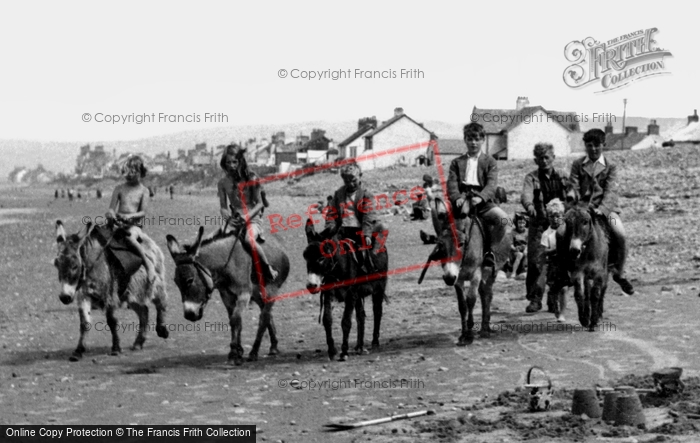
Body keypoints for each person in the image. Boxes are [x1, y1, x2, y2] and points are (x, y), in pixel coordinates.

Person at [567, 129, 634, 295]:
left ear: (603, 145)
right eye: (589, 146)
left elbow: (611, 191)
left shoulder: (611, 167)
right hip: (582, 211)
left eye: (597, 145)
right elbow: (573, 186)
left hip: (604, 211)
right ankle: (565, 271)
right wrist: (575, 201)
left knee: (621, 234)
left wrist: (602, 209)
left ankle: (619, 272)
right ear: (585, 146)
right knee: (562, 232)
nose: (593, 149)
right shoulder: (578, 165)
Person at [446, 122, 509, 268]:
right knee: (440, 213)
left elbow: (492, 184)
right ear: (465, 140)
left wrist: (481, 197)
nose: (473, 143)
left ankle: (490, 251)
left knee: (504, 219)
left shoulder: (490, 161)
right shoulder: (457, 162)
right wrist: (457, 197)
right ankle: (444, 249)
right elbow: (452, 184)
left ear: (482, 140)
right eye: (470, 139)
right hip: (462, 200)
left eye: (477, 139)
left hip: (483, 203)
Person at [217, 144, 278, 281]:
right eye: (228, 162)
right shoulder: (222, 183)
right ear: (224, 164)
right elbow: (223, 206)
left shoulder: (252, 178)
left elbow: (260, 203)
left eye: (234, 162)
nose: (231, 165)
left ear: (240, 162)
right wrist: (224, 213)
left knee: (248, 239)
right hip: (235, 219)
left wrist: (247, 216)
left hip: (253, 217)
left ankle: (268, 268)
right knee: (219, 239)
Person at [520, 142, 569, 312]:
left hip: (560, 224)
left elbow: (572, 194)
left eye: (547, 157)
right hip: (539, 224)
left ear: (553, 158)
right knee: (535, 261)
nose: (544, 161)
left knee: (559, 261)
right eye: (540, 158)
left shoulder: (563, 176)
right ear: (536, 160)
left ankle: (553, 298)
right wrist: (529, 206)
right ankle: (535, 298)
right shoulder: (531, 178)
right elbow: (525, 195)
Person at [105, 156, 157, 285]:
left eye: (134, 172)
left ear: (141, 173)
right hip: (118, 223)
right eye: (128, 172)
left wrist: (129, 217)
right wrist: (110, 214)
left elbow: (142, 212)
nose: (130, 175)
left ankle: (148, 264)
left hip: (134, 226)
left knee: (130, 238)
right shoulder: (119, 189)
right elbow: (111, 208)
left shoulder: (144, 191)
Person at [324, 162, 378, 273]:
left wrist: (367, 233)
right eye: (347, 181)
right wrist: (330, 227)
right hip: (342, 230)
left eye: (353, 181)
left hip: (359, 231)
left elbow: (368, 216)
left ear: (360, 176)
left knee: (364, 254)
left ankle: (368, 273)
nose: (351, 184)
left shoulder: (366, 195)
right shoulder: (339, 194)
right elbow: (331, 213)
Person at [507, 212, 528, 279]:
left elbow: (528, 243)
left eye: (523, 223)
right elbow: (510, 244)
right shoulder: (513, 232)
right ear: (516, 223)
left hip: (525, 250)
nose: (521, 225)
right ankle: (513, 272)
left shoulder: (527, 232)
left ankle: (524, 270)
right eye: (519, 223)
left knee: (526, 254)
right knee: (520, 255)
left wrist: (525, 249)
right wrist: (514, 249)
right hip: (515, 252)